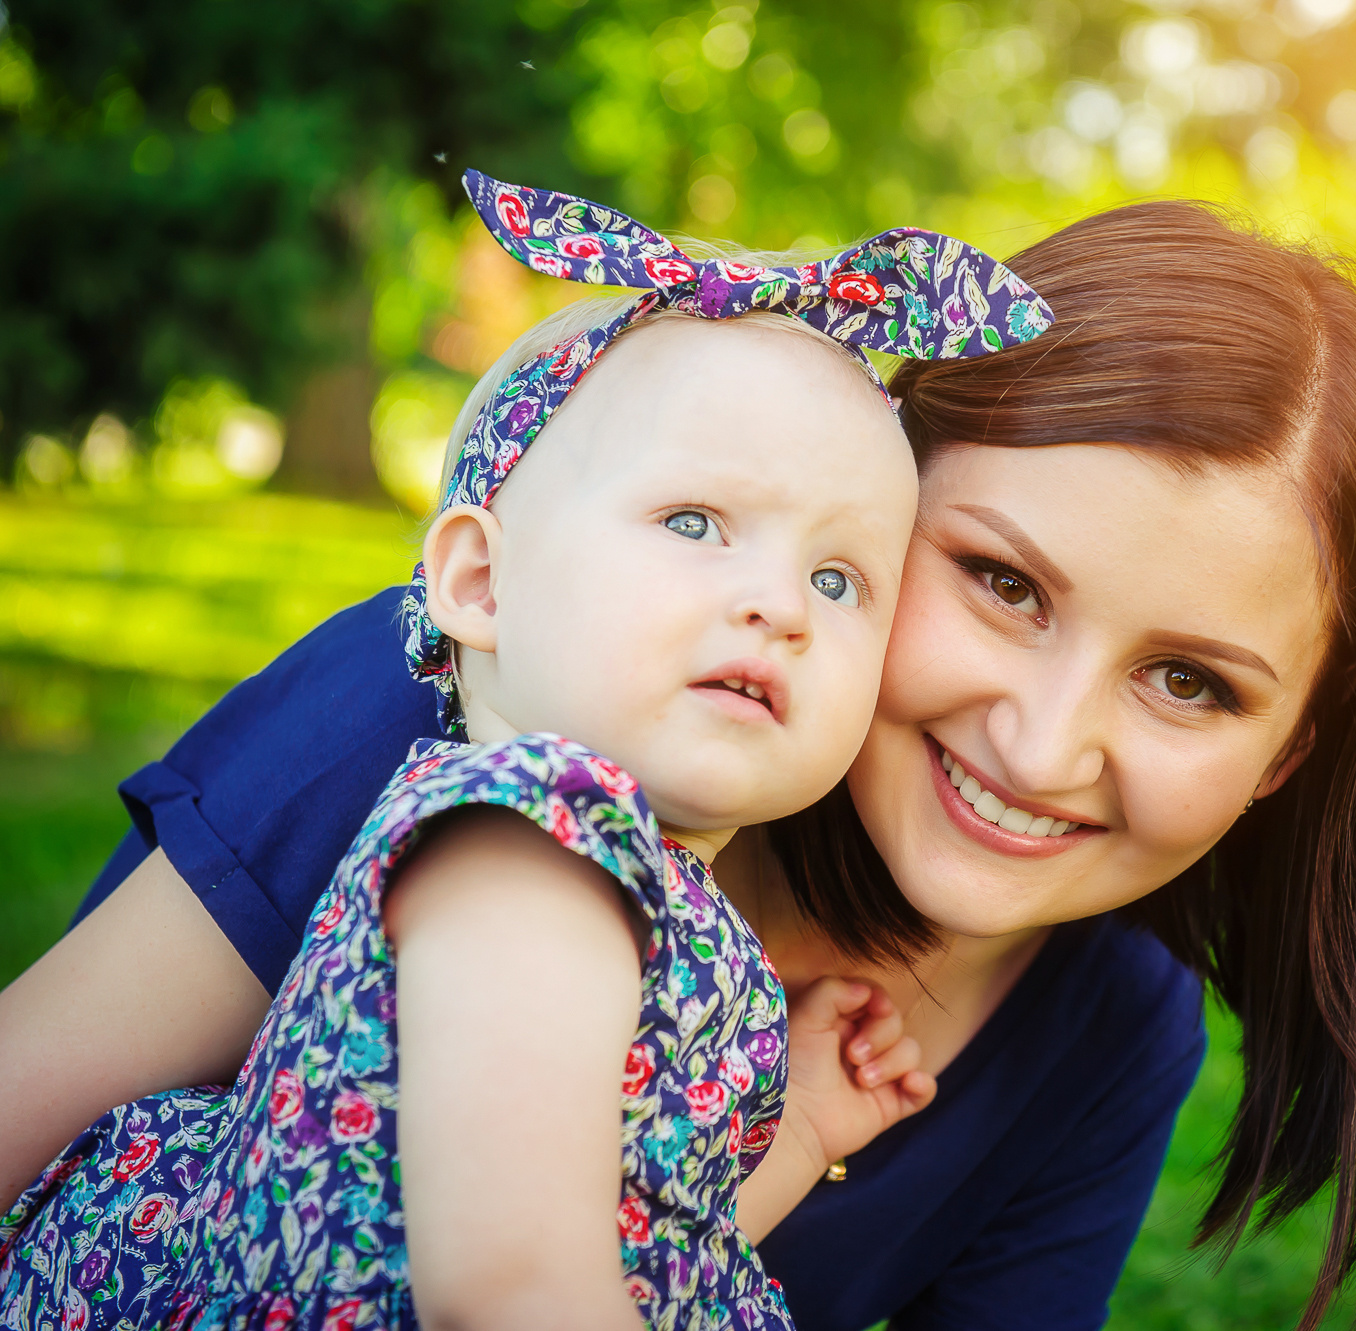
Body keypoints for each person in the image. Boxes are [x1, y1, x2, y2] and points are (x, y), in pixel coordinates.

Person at [0, 197, 1356, 1331]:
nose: (1042, 743)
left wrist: (805, 1126)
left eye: (1189, 680)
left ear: (1292, 748)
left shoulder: (1099, 1030)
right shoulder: (486, 716)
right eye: (1004, 584)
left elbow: (650, 1238)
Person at [0, 172, 1052, 1330]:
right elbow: (511, 1285)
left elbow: (627, 1245)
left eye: (837, 577)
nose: (778, 604)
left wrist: (794, 1125)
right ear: (480, 581)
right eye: (696, 523)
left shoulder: (640, 892)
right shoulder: (525, 843)